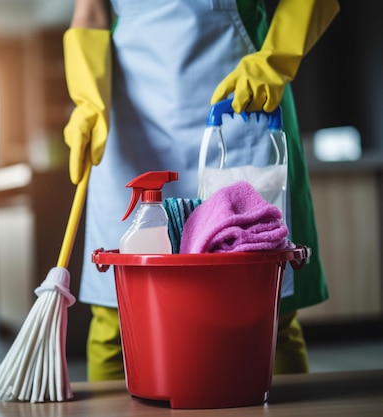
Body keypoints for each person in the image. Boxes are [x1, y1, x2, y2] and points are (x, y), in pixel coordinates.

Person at [62, 0, 340, 381]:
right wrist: (87, 100)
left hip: (242, 105)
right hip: (131, 118)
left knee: (267, 317)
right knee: (117, 317)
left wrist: (275, 60)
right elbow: (91, 12)